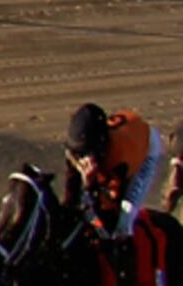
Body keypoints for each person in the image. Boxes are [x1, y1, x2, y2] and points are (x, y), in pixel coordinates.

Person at [67, 104, 168, 243]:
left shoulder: (118, 159)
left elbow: (110, 212)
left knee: (124, 223)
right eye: (80, 154)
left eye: (87, 154)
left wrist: (89, 185)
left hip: (147, 148)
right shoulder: (75, 150)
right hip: (130, 130)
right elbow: (70, 198)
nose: (84, 160)